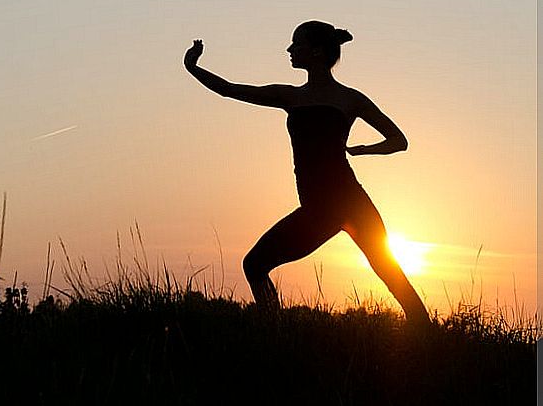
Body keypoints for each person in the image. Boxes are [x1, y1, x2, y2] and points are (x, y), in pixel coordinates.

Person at [183, 20, 430, 325]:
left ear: (314, 52)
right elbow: (230, 90)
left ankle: (426, 337)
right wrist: (193, 67)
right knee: (256, 265)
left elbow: (398, 140)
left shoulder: (348, 98)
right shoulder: (290, 96)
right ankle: (276, 333)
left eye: (296, 43)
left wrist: (366, 149)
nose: (289, 49)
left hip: (344, 202)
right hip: (324, 207)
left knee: (389, 273)